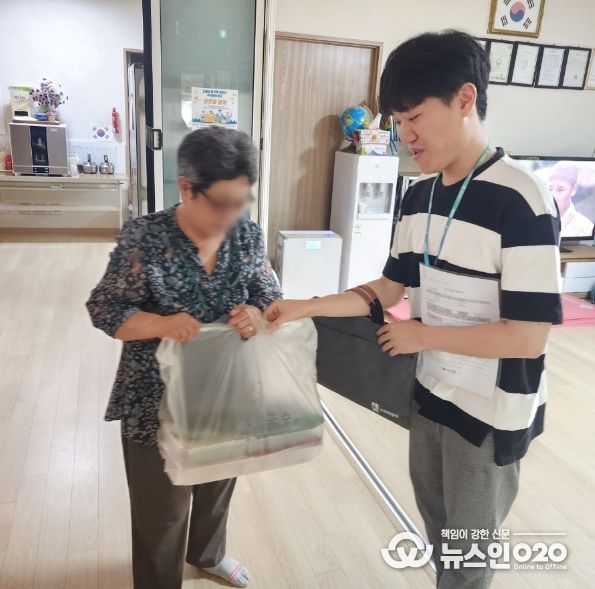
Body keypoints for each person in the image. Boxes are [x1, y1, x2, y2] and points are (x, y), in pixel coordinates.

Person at [265, 30, 562, 588]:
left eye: (415, 117)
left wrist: (424, 336)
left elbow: (527, 338)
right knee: (439, 534)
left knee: (468, 557)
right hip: (428, 394)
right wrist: (304, 305)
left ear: (465, 99)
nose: (405, 135)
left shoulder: (522, 198)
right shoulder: (418, 195)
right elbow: (389, 289)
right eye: (398, 121)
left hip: (490, 411)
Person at [86, 126, 281, 589]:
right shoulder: (145, 239)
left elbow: (269, 294)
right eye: (221, 204)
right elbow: (104, 308)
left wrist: (257, 314)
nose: (232, 216)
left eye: (241, 202)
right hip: (156, 402)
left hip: (225, 390)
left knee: (217, 484)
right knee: (163, 510)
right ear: (187, 188)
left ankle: (208, 555)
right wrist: (160, 324)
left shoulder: (247, 238)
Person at [548, 161, 594, 238]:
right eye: (550, 189)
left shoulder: (585, 228)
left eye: (560, 190)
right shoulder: (538, 220)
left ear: (573, 189)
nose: (553, 195)